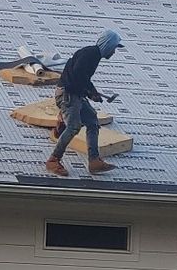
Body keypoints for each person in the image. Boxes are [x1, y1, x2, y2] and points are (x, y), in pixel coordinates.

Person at [45, 30, 125, 177]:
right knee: (74, 126)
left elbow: (80, 78)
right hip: (68, 95)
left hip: (75, 94)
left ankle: (94, 161)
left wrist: (90, 92)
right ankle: (53, 160)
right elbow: (78, 75)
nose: (114, 52)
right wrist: (90, 91)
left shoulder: (92, 55)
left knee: (92, 121)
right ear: (107, 45)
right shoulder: (90, 54)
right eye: (113, 48)